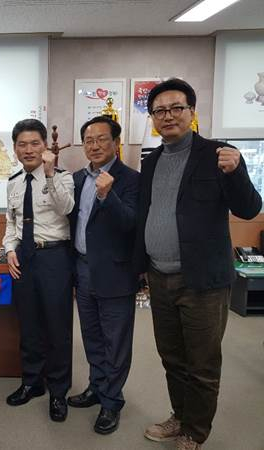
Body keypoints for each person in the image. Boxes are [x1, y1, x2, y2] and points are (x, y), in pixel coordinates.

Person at [135, 78, 262, 450]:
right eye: (160, 110)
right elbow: (146, 214)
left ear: (191, 112)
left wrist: (236, 171)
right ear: (153, 118)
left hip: (203, 281)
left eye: (177, 108)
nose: (168, 116)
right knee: (172, 357)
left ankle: (195, 432)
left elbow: (249, 208)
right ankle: (180, 416)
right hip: (159, 277)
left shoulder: (219, 154)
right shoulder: (151, 161)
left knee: (202, 363)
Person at [67, 116, 139, 435]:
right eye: (89, 140)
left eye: (101, 139)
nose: (94, 145)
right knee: (92, 336)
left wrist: (108, 196)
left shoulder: (131, 179)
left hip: (115, 272)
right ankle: (97, 387)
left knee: (116, 342)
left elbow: (130, 224)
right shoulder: (78, 178)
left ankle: (111, 401)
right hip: (83, 268)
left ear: (116, 143)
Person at [2, 118, 75, 422]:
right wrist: (9, 249)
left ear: (45, 146)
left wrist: (49, 174)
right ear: (15, 149)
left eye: (34, 143)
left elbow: (66, 208)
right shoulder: (13, 182)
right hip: (25, 258)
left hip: (55, 257)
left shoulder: (63, 177)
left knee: (57, 328)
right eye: (22, 144)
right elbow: (11, 222)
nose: (28, 149)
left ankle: (58, 391)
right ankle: (32, 382)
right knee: (29, 325)